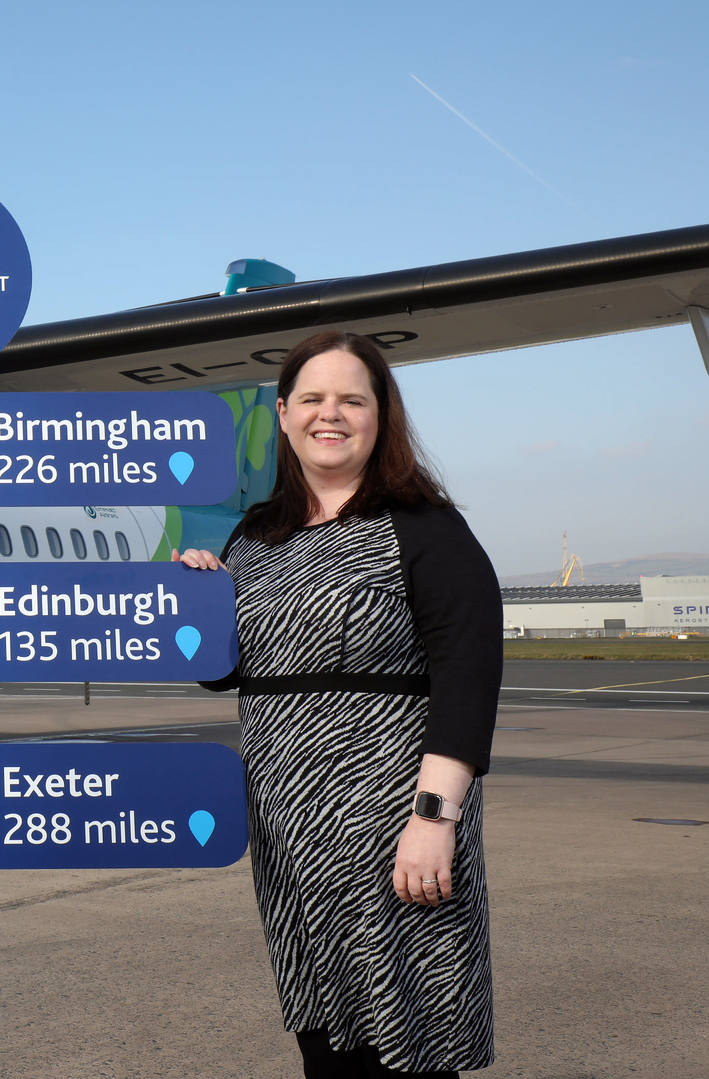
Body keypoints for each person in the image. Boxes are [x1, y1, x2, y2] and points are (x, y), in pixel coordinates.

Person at [174, 330, 500, 1078]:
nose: (333, 414)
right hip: (290, 830)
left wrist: (433, 819)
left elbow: (468, 679)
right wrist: (200, 601)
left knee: (410, 1039)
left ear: (381, 415)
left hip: (393, 825)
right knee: (325, 1038)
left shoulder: (423, 528)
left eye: (353, 398)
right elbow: (232, 676)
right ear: (284, 414)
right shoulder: (256, 535)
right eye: (314, 399)